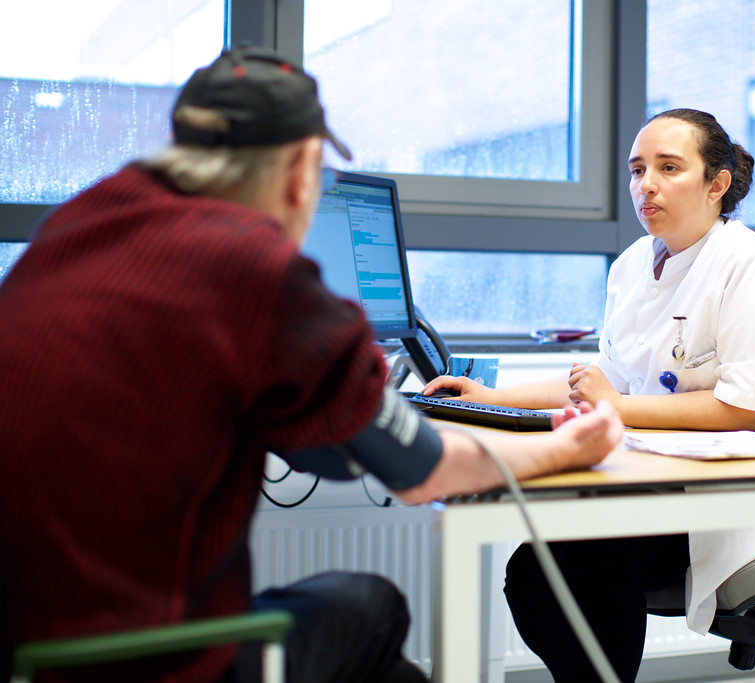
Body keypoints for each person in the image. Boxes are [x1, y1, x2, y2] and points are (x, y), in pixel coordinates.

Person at [0, 46, 623, 683]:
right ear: (302, 169)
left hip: (29, 645)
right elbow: (423, 474)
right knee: (372, 609)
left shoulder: (81, 221)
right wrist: (565, 448)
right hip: (141, 662)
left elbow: (309, 443)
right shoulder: (257, 268)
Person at [422, 108, 755, 682]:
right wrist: (491, 396)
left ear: (717, 184)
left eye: (669, 168)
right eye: (638, 170)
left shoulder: (747, 263)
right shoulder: (632, 267)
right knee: (537, 572)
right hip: (673, 485)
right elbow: (606, 381)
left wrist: (613, 406)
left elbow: (747, 408)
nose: (647, 185)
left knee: (579, 566)